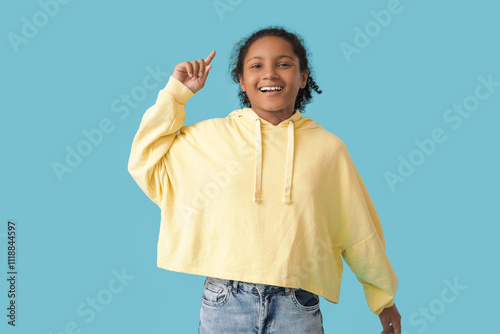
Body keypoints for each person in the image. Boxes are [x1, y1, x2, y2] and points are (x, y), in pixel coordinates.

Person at [128, 26, 401, 334]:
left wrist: (383, 298)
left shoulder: (328, 149)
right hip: (225, 301)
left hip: (297, 305)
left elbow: (358, 229)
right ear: (242, 81)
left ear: (303, 77)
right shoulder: (209, 138)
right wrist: (176, 94)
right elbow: (146, 162)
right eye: (256, 66)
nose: (270, 74)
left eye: (283, 64)